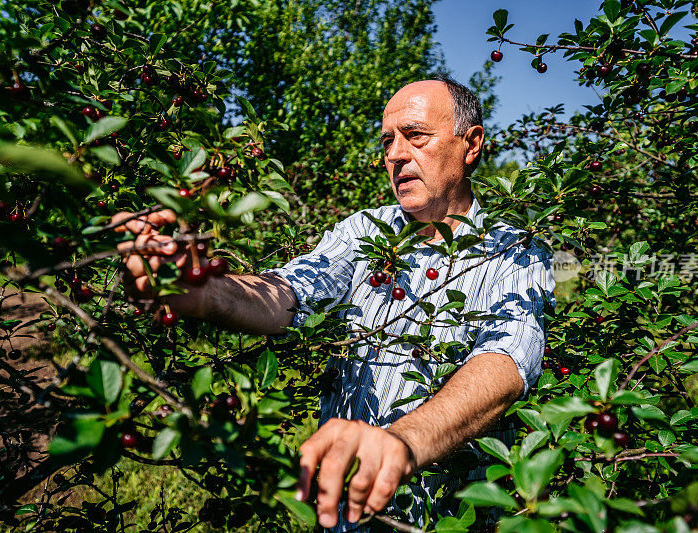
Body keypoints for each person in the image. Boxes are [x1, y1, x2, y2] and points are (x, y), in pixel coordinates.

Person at [114, 78, 555, 531]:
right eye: (388, 141)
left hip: (449, 519)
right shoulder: (364, 232)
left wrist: (400, 444)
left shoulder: (515, 250)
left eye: (415, 135)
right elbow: (289, 292)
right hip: (346, 518)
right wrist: (206, 290)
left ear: (471, 143)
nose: (396, 154)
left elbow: (505, 363)